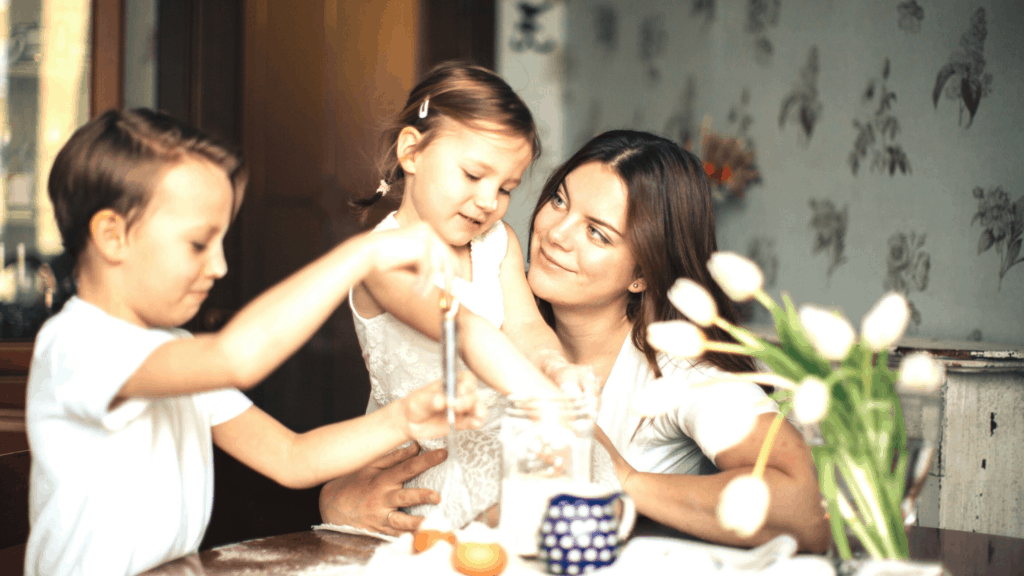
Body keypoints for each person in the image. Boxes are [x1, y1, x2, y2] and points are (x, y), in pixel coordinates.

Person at [25, 108, 487, 576]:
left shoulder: (175, 350)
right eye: (198, 244)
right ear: (113, 235)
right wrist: (362, 254)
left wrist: (404, 418)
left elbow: (292, 457)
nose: (219, 266)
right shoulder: (78, 346)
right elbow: (236, 358)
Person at [323, 130, 830, 552]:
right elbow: (377, 456)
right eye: (559, 201)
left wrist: (625, 480)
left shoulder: (677, 370)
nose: (556, 234)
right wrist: (339, 499)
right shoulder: (482, 314)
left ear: (643, 274)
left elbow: (805, 512)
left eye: (598, 233)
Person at [345, 61, 587, 531]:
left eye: (506, 188)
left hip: (495, 452)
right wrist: (541, 397)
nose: (488, 201)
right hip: (417, 468)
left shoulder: (498, 243)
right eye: (473, 175)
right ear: (412, 152)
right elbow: (464, 329)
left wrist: (554, 366)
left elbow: (525, 326)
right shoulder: (382, 258)